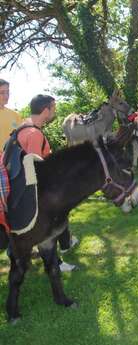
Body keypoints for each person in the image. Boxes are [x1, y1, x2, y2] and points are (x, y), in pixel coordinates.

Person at [16, 95, 78, 272]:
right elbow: (37, 169)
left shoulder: (24, 125)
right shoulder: (35, 134)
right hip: (34, 190)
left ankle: (65, 244)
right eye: (54, 108)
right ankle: (55, 264)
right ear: (46, 110)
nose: (55, 112)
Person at [0, 79, 22, 151]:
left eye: (7, 92)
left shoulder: (15, 115)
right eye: (2, 93)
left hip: (11, 158)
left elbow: (21, 137)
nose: (6, 96)